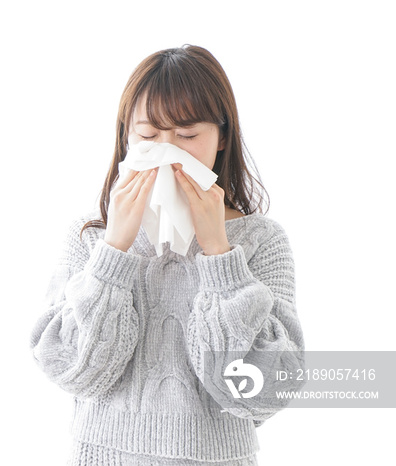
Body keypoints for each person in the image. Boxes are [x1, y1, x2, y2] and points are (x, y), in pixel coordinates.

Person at [28, 45, 306, 466]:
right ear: (126, 136)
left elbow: (265, 394)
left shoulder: (261, 241)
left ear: (223, 136)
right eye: (148, 136)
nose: (167, 152)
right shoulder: (90, 236)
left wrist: (219, 256)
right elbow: (72, 370)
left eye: (187, 136)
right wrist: (114, 252)